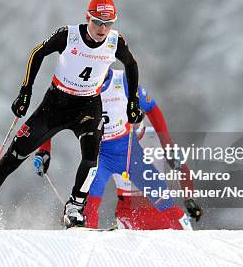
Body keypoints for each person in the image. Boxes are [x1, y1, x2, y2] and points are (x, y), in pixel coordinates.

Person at [0, 0, 144, 229]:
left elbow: (131, 65)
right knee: (13, 157)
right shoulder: (69, 35)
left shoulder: (115, 42)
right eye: (97, 22)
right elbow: (38, 53)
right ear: (87, 17)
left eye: (109, 23)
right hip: (55, 104)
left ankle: (75, 208)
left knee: (91, 157)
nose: (102, 28)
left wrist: (133, 102)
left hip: (88, 106)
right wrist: (25, 91)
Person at [33, 68, 202, 229]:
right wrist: (44, 149)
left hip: (140, 176)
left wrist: (189, 198)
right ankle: (86, 234)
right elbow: (51, 117)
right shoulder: (80, 88)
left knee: (163, 199)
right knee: (90, 196)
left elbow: (181, 166)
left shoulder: (125, 85)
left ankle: (185, 234)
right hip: (113, 182)